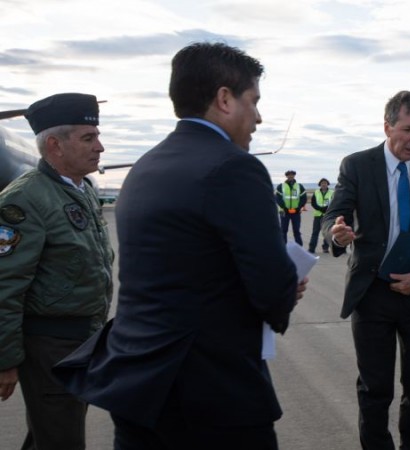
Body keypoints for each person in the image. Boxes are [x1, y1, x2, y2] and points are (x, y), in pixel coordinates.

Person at [52, 42, 306, 450]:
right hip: (211, 393)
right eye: (253, 101)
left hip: (139, 384)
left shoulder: (146, 166)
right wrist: (284, 287)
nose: (258, 117)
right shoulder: (234, 168)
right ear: (224, 98)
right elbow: (272, 290)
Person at [323, 90, 410, 450]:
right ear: (387, 126)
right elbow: (333, 215)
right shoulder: (357, 165)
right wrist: (337, 236)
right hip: (373, 293)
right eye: (408, 129)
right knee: (375, 389)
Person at [0, 93, 114, 450]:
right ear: (54, 144)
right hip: (50, 346)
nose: (100, 147)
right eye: (88, 138)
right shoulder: (25, 199)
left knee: (52, 434)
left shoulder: (80, 189)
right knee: (61, 439)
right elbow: (5, 285)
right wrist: (5, 360)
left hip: (82, 338)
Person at [276, 169, 306, 246]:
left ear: (294, 176)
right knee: (283, 230)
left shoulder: (299, 186)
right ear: (286, 176)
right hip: (284, 212)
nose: (290, 176)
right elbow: (278, 198)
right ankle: (283, 248)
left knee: (296, 231)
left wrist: (298, 207)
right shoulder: (281, 186)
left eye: (292, 174)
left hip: (296, 212)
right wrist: (284, 207)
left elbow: (303, 198)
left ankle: (299, 247)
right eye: (289, 175)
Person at [308, 177, 333, 254]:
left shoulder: (332, 192)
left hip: (327, 215)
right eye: (322, 183)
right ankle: (311, 248)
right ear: (320, 184)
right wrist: (320, 208)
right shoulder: (316, 192)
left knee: (326, 232)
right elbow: (313, 203)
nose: (324, 184)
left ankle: (325, 248)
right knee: (315, 232)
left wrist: (326, 209)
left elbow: (334, 202)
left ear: (327, 184)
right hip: (318, 215)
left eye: (325, 183)